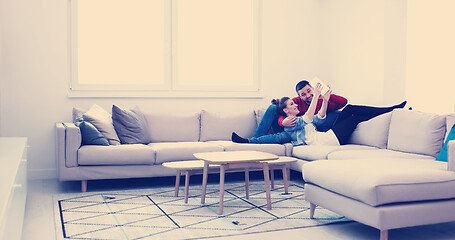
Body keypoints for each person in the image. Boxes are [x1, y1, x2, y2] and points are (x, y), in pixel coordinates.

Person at [233, 84, 406, 146]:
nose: (296, 103)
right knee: (354, 116)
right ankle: (250, 142)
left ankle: (390, 109)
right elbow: (307, 117)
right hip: (328, 141)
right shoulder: (296, 123)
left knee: (351, 109)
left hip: (328, 136)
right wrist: (315, 95)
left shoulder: (302, 120)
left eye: (309, 92)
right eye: (294, 103)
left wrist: (324, 98)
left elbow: (320, 117)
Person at [234, 80, 347, 144]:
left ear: (313, 88)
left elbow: (343, 102)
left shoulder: (321, 99)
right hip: (290, 126)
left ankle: (251, 143)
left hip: (297, 132)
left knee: (282, 137)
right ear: (299, 96)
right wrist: (282, 122)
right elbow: (283, 112)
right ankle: (253, 141)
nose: (308, 96)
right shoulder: (295, 103)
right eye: (303, 94)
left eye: (309, 91)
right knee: (273, 108)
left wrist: (325, 94)